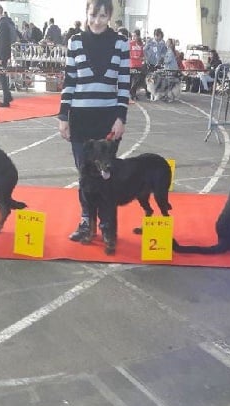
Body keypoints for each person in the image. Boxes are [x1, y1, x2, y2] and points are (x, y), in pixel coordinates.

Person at [58, 0, 129, 244]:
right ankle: (86, 222)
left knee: (107, 177)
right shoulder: (75, 41)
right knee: (85, 177)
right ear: (86, 14)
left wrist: (121, 118)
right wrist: (63, 116)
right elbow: (69, 81)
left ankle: (107, 225)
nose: (97, 21)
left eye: (102, 16)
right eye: (93, 15)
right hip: (80, 120)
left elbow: (124, 84)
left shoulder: (121, 43)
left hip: (108, 121)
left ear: (110, 16)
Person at [128, 29, 146, 99]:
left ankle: (132, 92)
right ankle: (132, 94)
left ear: (138, 36)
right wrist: (133, 56)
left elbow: (142, 54)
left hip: (139, 65)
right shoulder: (130, 43)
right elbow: (127, 53)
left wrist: (142, 58)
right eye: (132, 36)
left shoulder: (141, 44)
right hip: (132, 64)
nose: (133, 37)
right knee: (132, 79)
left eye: (135, 36)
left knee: (138, 79)